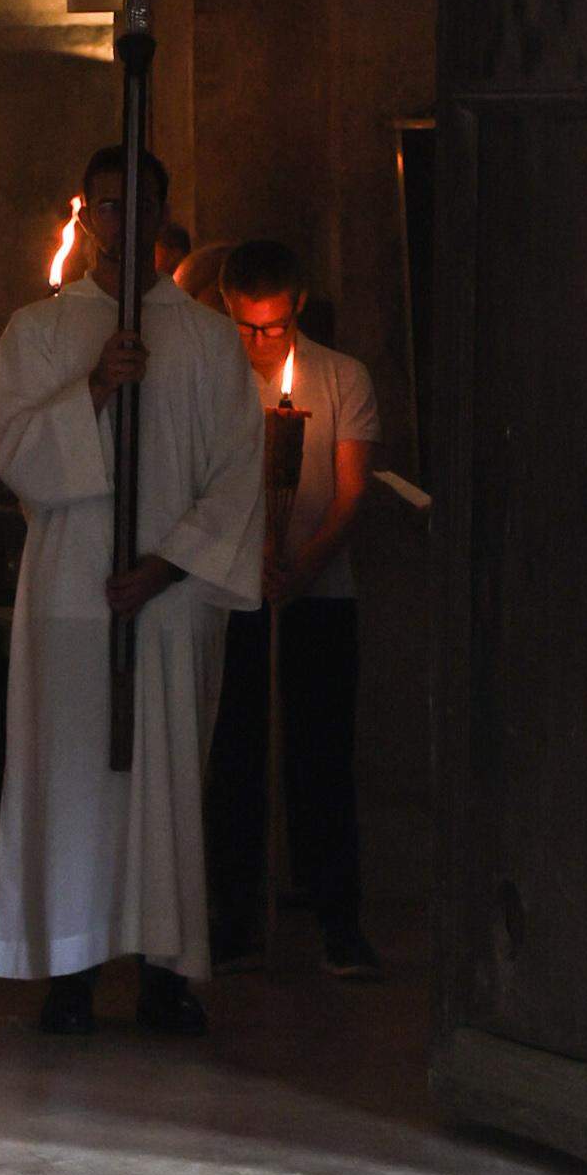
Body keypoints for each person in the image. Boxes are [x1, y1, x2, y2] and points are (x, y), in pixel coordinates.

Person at [0, 143, 262, 1036]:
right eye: (105, 205)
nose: (121, 222)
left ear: (161, 215)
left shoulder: (212, 339)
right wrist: (95, 388)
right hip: (74, 585)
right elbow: (14, 452)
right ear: (86, 214)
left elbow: (237, 472)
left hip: (171, 600)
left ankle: (164, 966)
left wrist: (167, 564)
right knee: (71, 780)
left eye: (137, 205)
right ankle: (70, 961)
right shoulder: (39, 332)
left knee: (166, 782)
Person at [205, 237, 383, 979]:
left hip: (318, 592)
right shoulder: (210, 383)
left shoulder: (341, 377)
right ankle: (231, 917)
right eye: (247, 327)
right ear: (226, 311)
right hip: (231, 587)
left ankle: (338, 921)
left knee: (321, 757)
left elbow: (350, 491)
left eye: (274, 328)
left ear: (297, 309)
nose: (259, 342)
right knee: (235, 756)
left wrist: (301, 565)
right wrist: (247, 558)